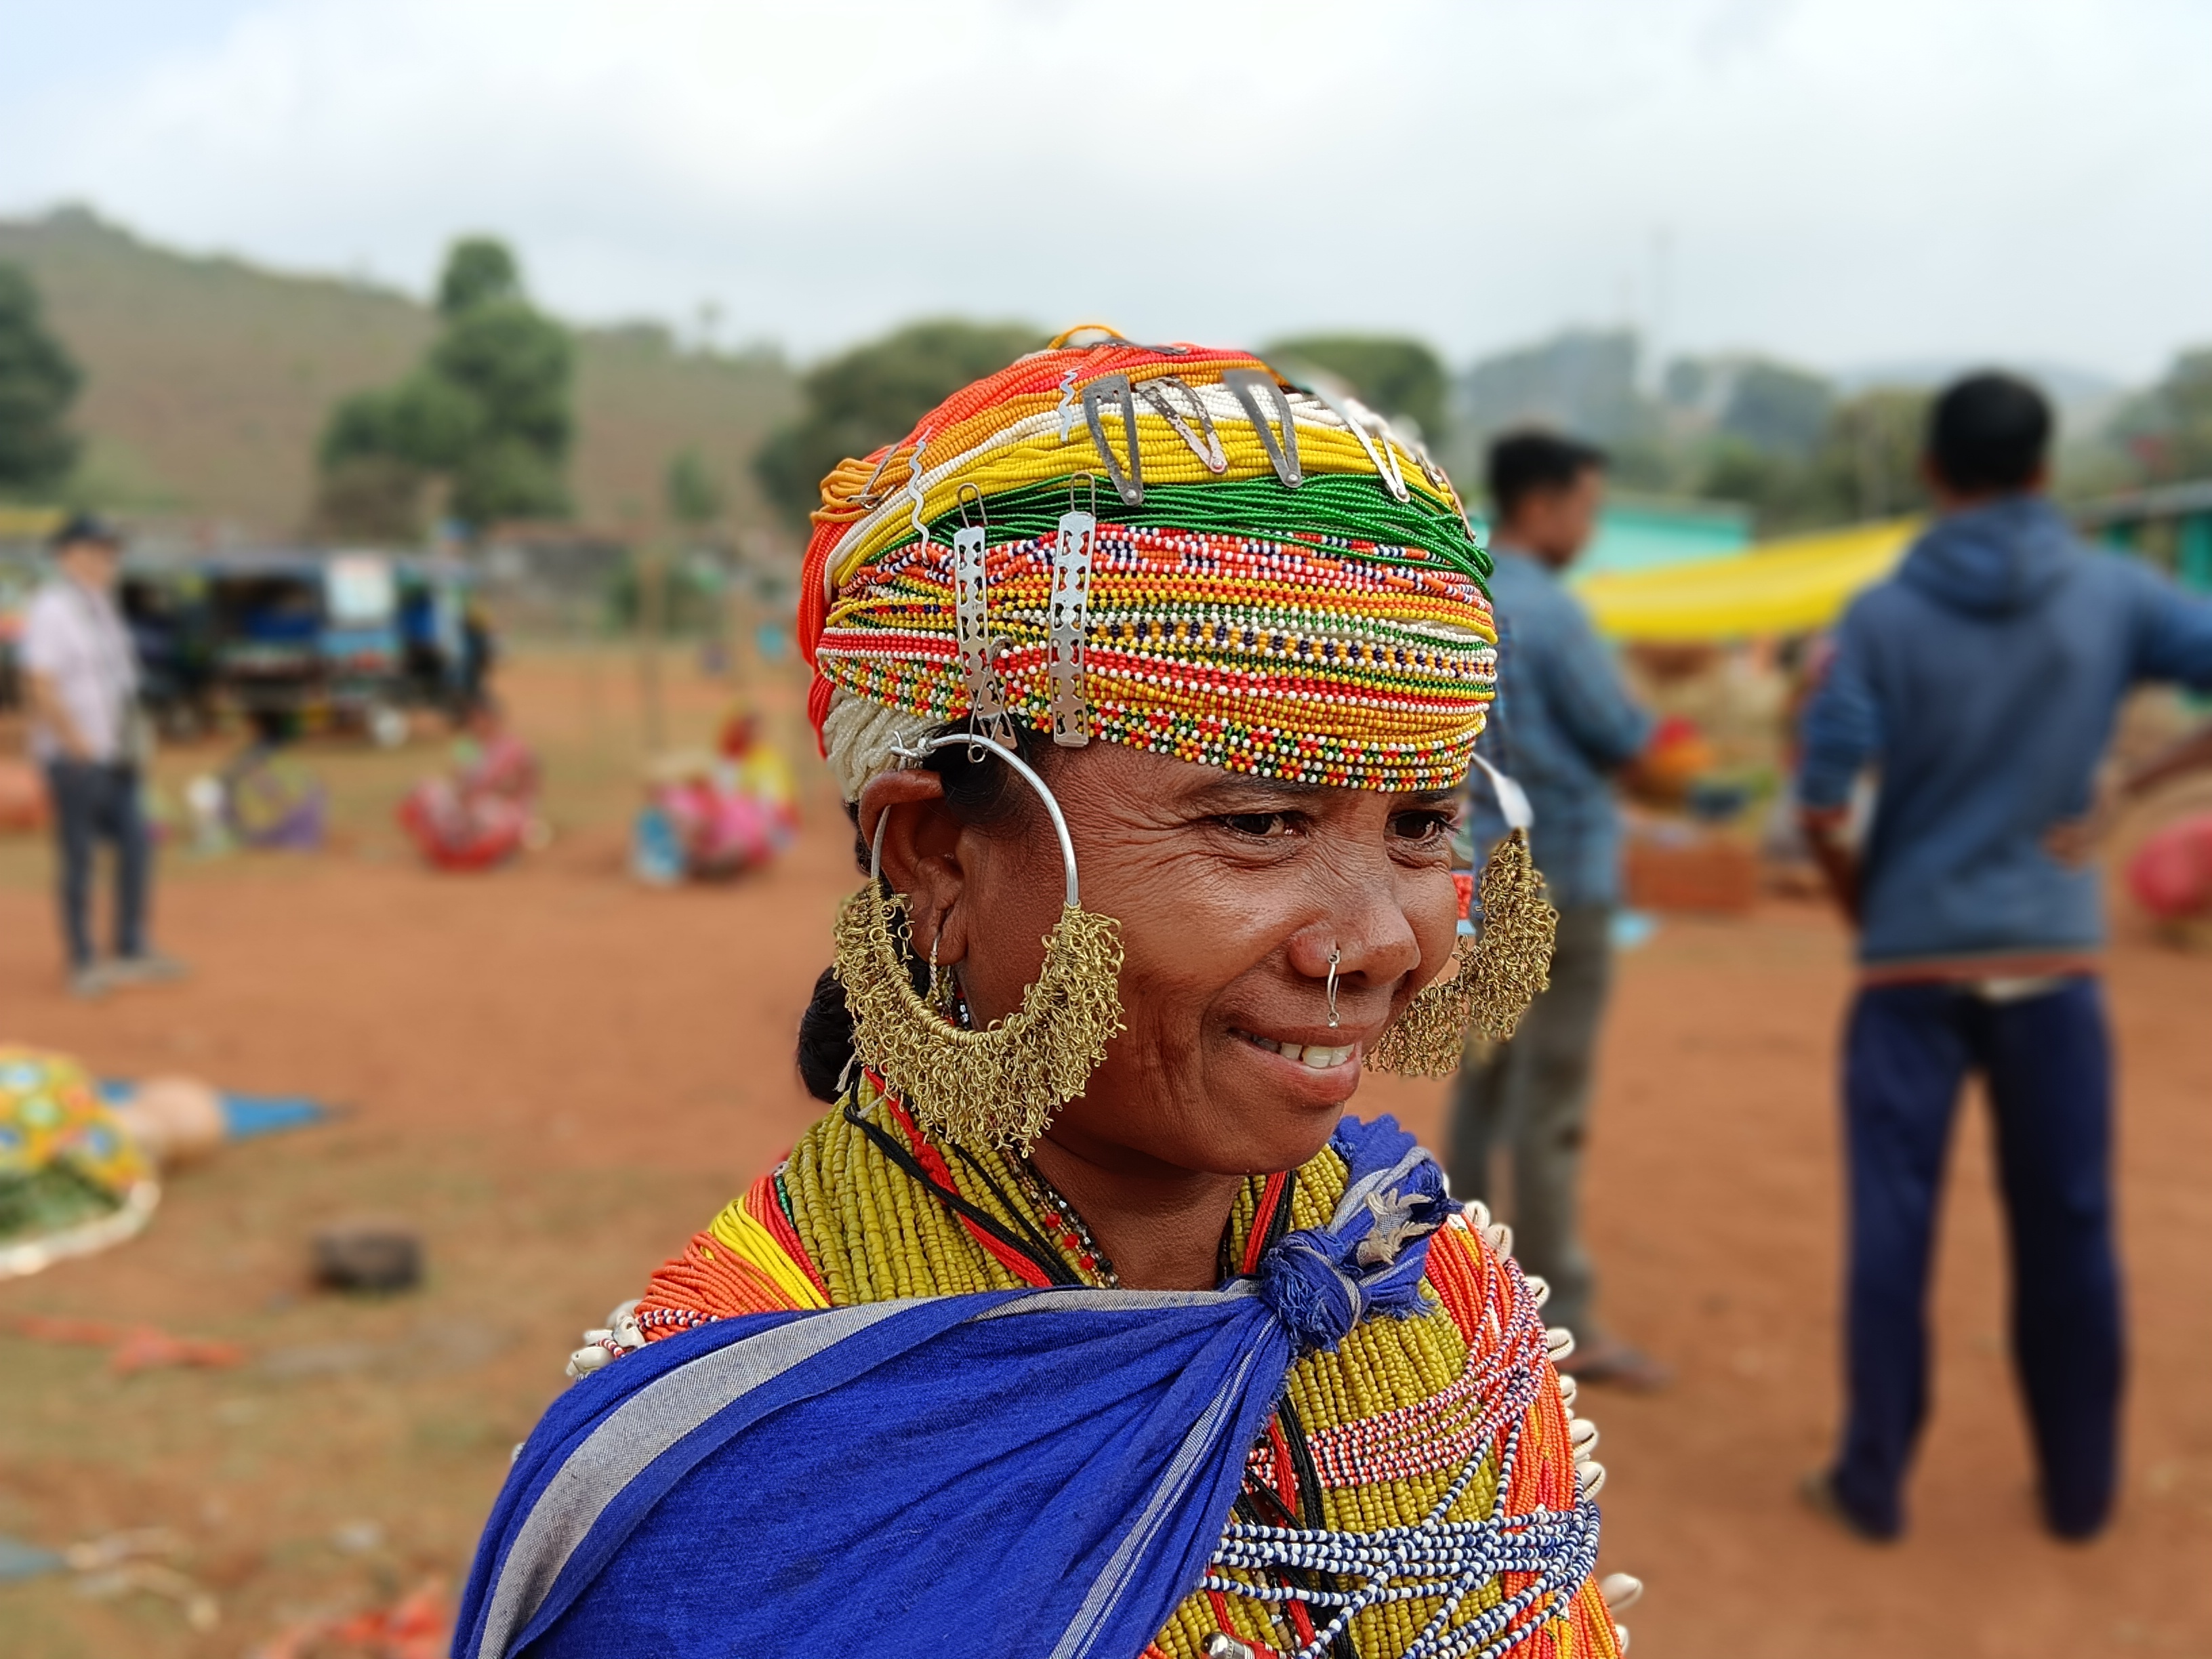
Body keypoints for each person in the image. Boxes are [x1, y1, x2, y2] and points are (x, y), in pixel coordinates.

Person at [456, 335, 1641, 1658]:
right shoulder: (743, 1459)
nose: (1379, 939)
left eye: (1424, 825)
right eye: (1257, 822)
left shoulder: (1422, 1275)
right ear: (940, 856)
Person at [1795, 371, 2212, 1542]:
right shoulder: (2113, 590)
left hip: (1906, 964)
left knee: (1891, 1225)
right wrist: (2130, 783)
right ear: (2041, 473)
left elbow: (1822, 801)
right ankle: (2078, 1493)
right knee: (2068, 1223)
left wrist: (1863, 910)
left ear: (1932, 473)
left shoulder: (1877, 613)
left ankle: (1870, 1481)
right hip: (2052, 960)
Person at [1448, 432, 1664, 1391]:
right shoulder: (1553, 612)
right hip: (1565, 879)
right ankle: (1556, 1311)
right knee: (1550, 1099)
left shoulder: (1457, 596)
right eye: (1586, 507)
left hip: (1478, 875)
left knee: (1485, 1077)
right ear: (1543, 507)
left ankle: (1447, 1278)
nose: (1589, 526)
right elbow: (1621, 735)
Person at [18, 514, 184, 997]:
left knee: (136, 846)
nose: (107, 561)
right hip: (78, 759)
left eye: (112, 552)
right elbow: (40, 682)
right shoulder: (53, 609)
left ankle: (131, 946)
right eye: (95, 551)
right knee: (80, 857)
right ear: (66, 556)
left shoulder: (101, 607)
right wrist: (74, 742)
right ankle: (83, 961)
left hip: (117, 753)